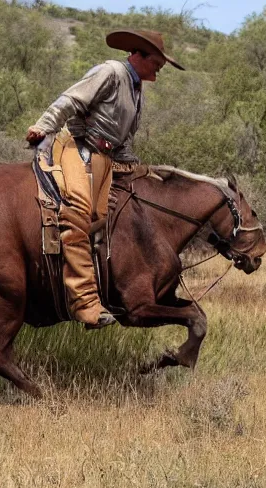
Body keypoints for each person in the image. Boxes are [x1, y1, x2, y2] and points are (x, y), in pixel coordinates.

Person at [26, 29, 185, 329]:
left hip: (105, 159)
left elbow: (122, 139)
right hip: (77, 147)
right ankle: (86, 304)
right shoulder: (111, 72)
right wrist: (44, 126)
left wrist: (138, 168)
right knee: (76, 215)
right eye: (156, 64)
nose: (158, 71)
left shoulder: (136, 91)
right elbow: (72, 99)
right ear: (138, 56)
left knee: (101, 217)